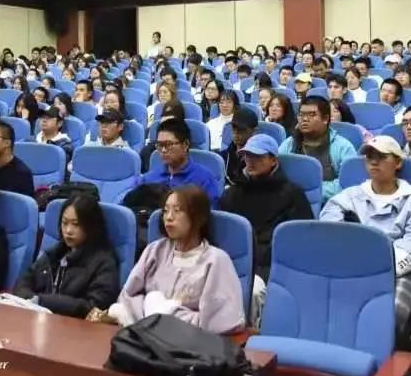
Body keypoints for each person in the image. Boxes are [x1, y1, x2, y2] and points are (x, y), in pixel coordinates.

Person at [89, 186, 245, 333]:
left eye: (177, 211)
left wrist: (169, 314)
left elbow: (220, 320)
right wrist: (151, 312)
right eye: (165, 211)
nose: (169, 218)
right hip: (143, 334)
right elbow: (127, 296)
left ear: (198, 217)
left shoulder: (217, 260)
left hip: (190, 342)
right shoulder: (154, 250)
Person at [321, 136, 411, 331]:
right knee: (332, 310)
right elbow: (330, 226)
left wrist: (380, 265)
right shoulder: (350, 196)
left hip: (396, 271)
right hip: (352, 265)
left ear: (398, 162)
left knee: (389, 318)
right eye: (369, 156)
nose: (373, 161)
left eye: (381, 156)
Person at [218, 134, 312, 325]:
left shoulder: (292, 194)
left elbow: (302, 239)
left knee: (252, 292)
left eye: (257, 157)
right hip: (235, 263)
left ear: (273, 160)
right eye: (247, 156)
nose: (250, 161)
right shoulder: (233, 193)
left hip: (273, 264)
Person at [14, 194, 120, 318]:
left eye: (76, 224)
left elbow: (95, 307)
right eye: (64, 223)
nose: (68, 230)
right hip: (43, 320)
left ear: (91, 226)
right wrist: (31, 299)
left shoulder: (104, 262)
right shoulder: (55, 254)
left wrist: (44, 301)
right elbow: (23, 283)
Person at [279, 96, 356, 202]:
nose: (304, 119)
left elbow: (348, 184)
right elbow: (277, 176)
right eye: (301, 114)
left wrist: (311, 191)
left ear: (325, 119)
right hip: (292, 203)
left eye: (312, 115)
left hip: (332, 204)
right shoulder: (289, 144)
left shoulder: (343, 146)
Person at [138, 119, 221, 205]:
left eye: (169, 144)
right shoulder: (149, 178)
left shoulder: (204, 179)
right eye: (160, 145)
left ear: (185, 144)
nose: (163, 150)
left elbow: (210, 212)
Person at [221, 106, 262, 187]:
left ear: (255, 131)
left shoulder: (261, 159)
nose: (236, 134)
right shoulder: (223, 156)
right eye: (234, 129)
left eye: (241, 130)